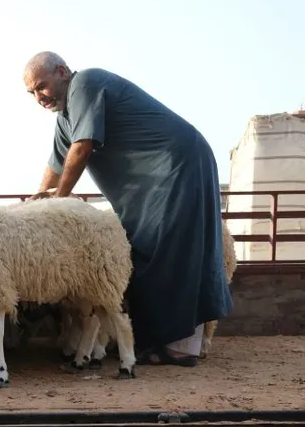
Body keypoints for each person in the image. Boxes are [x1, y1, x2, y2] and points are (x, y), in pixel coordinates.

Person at [22, 51, 233, 366]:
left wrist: (58, 200)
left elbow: (81, 147)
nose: (39, 97)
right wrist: (35, 203)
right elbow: (56, 163)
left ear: (62, 71)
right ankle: (166, 342)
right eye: (32, 93)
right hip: (154, 182)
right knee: (144, 249)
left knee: (174, 247)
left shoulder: (86, 84)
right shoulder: (66, 116)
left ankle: (184, 347)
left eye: (42, 86)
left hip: (177, 164)